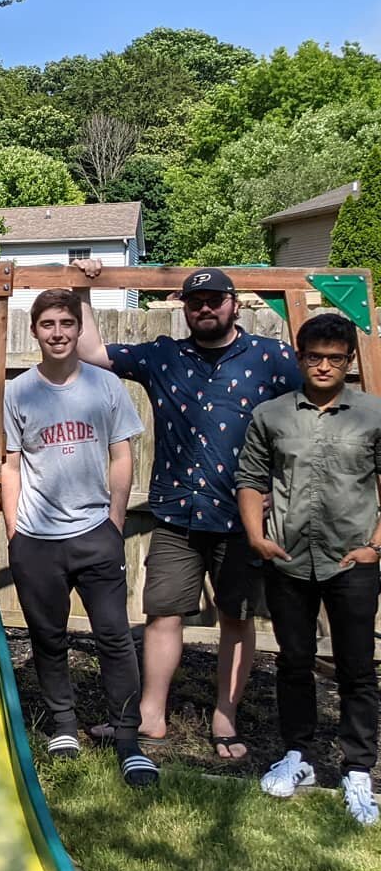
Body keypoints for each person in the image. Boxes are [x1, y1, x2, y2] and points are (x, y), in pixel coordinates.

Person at [72, 262, 301, 759]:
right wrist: (81, 288)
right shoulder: (163, 356)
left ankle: (226, 717)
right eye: (195, 301)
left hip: (243, 517)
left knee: (236, 618)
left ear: (233, 304)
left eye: (214, 300)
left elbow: (308, 418)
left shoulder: (272, 357)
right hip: (177, 510)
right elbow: (90, 352)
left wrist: (279, 489)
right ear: (184, 307)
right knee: (162, 614)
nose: (205, 308)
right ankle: (151, 716)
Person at [2, 289, 157, 788]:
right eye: (48, 324)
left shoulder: (106, 386)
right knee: (48, 638)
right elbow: (10, 465)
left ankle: (128, 738)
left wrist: (114, 520)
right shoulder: (18, 391)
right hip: (37, 536)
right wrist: (14, 530)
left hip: (95, 533)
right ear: (35, 331)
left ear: (76, 327)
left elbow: (122, 455)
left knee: (115, 637)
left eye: (67, 323)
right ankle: (63, 727)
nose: (58, 332)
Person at [237, 313, 381, 825]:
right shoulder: (271, 415)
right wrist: (257, 537)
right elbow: (251, 478)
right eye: (314, 357)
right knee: (294, 662)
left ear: (348, 362)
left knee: (357, 668)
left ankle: (358, 767)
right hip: (290, 559)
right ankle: (297, 754)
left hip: (351, 561)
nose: (324, 366)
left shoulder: (372, 414)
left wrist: (375, 548)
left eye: (335, 358)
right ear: (300, 358)